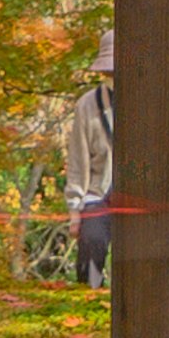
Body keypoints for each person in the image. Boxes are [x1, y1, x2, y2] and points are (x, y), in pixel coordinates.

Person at [60, 31, 116, 287]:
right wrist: (75, 211)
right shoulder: (88, 105)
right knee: (91, 242)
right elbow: (78, 161)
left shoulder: (152, 100)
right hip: (98, 192)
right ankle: (90, 295)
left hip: (141, 193)